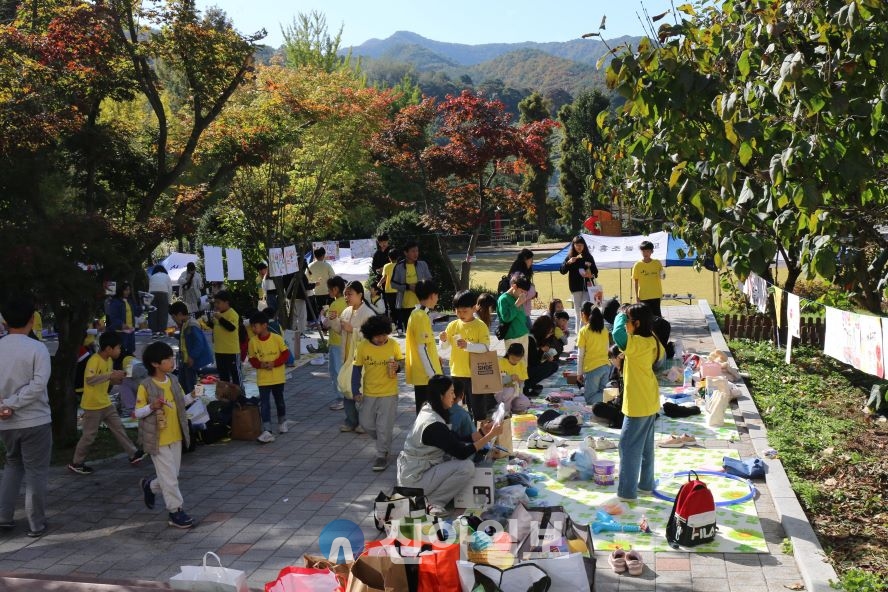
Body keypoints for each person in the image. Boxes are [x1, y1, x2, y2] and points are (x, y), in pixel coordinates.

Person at [396, 374, 503, 517]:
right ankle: (433, 502)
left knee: (459, 461)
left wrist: (483, 431)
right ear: (441, 395)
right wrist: (490, 436)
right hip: (414, 481)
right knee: (466, 466)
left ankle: (430, 498)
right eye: (451, 392)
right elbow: (461, 452)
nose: (454, 396)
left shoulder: (430, 409)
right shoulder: (433, 424)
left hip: (415, 471)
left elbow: (456, 439)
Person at [0, 295, 53, 537]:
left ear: (4, 321)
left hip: (5, 420)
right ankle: (36, 523)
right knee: (35, 471)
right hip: (35, 419)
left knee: (12, 465)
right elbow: (38, 385)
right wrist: (14, 404)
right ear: (33, 319)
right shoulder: (38, 348)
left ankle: (4, 516)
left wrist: (6, 405)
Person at [68, 332, 145, 475]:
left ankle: (133, 454)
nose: (120, 351)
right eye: (118, 348)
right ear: (108, 348)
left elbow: (107, 380)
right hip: (92, 405)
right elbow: (90, 380)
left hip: (105, 402)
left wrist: (119, 378)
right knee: (89, 435)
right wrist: (110, 375)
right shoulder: (94, 360)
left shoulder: (109, 361)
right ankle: (76, 462)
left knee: (119, 428)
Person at [135, 341, 194, 529]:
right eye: (167, 359)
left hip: (176, 435)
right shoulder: (145, 386)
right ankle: (175, 511)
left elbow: (181, 402)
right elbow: (137, 412)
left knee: (171, 476)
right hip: (157, 439)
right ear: (155, 364)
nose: (172, 362)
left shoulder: (174, 381)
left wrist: (193, 395)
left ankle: (150, 486)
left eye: (171, 358)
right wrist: (152, 406)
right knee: (169, 478)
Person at [612, 303, 664, 501]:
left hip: (639, 402)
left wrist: (620, 315)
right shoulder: (650, 338)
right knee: (645, 446)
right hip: (648, 398)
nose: (625, 325)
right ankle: (645, 484)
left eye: (628, 322)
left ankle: (627, 492)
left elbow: (617, 334)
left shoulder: (638, 343)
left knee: (627, 446)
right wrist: (626, 316)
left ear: (637, 323)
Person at [351, 314, 404, 472]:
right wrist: (355, 390)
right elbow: (356, 369)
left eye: (384, 335)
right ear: (369, 335)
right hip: (369, 392)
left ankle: (381, 455)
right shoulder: (362, 346)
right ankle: (384, 441)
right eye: (377, 336)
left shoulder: (393, 344)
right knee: (366, 423)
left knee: (383, 425)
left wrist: (398, 367)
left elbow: (400, 362)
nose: (381, 339)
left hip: (389, 392)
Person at [439, 290, 491, 421]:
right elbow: (444, 347)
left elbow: (485, 348)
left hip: (476, 374)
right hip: (457, 372)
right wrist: (443, 340)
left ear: (474, 308)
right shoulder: (452, 325)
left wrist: (468, 346)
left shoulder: (480, 326)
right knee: (455, 407)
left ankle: (480, 434)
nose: (460, 314)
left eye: (464, 311)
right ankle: (459, 432)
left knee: (478, 408)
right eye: (458, 311)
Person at [248, 312, 292, 443]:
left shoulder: (277, 338)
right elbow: (252, 359)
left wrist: (274, 363)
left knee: (279, 400)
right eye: (252, 327)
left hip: (278, 378)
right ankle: (267, 429)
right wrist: (261, 364)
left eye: (255, 326)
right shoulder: (253, 342)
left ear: (264, 325)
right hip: (263, 380)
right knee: (265, 404)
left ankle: (282, 421)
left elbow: (285, 355)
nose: (253, 329)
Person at [336, 281, 375, 424]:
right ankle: (351, 421)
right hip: (347, 357)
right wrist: (332, 321)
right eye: (345, 294)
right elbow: (340, 331)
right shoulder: (346, 311)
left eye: (350, 294)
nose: (347, 297)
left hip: (361, 360)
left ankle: (364, 423)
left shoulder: (368, 313)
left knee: (361, 391)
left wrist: (353, 330)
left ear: (360, 295)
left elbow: (372, 336)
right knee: (347, 389)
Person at [405, 279, 443, 414]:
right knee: (429, 416)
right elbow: (422, 348)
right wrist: (433, 375)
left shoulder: (417, 313)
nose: (437, 298)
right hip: (426, 377)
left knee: (424, 414)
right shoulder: (421, 316)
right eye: (437, 295)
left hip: (422, 374)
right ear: (432, 295)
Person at [170, 301, 213, 395]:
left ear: (180, 314)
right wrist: (175, 335)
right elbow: (185, 338)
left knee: (194, 383)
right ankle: (188, 401)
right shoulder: (185, 324)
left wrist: (192, 356)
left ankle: (198, 401)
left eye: (174, 317)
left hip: (193, 360)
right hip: (185, 360)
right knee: (183, 382)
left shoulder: (192, 325)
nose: (174, 320)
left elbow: (199, 343)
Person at [391, 241, 432, 337]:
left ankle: (425, 348)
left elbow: (429, 280)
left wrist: (420, 286)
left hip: (421, 303)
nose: (416, 253)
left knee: (423, 330)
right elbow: (393, 284)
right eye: (413, 251)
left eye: (417, 251)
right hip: (405, 305)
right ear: (406, 253)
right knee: (410, 332)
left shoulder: (423, 264)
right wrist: (407, 287)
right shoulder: (399, 267)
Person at [559, 235, 599, 331]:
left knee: (585, 310)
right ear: (574, 246)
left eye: (581, 245)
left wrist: (591, 274)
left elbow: (596, 272)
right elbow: (562, 271)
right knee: (577, 311)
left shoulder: (588, 257)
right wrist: (568, 263)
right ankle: (578, 333)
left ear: (584, 245)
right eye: (577, 245)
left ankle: (584, 331)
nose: (579, 247)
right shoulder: (570, 257)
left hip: (587, 288)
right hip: (575, 288)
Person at [576, 301, 611, 406]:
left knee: (590, 398)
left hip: (592, 369)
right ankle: (611, 397)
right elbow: (607, 349)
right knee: (602, 392)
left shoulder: (584, 331)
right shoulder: (604, 329)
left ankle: (614, 397)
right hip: (606, 367)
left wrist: (579, 373)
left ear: (583, 314)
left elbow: (580, 355)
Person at [322, 276, 348, 414]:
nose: (328, 292)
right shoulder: (348, 302)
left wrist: (323, 316)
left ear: (335, 289)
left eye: (329, 289)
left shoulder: (334, 305)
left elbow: (327, 324)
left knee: (335, 371)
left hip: (336, 342)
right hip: (348, 341)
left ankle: (341, 398)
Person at [207, 290, 241, 385]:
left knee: (235, 374)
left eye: (218, 302)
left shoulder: (232, 313)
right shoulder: (218, 315)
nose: (216, 305)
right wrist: (207, 322)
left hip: (231, 351)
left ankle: (240, 395)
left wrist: (220, 318)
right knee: (223, 375)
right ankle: (227, 396)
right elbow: (215, 327)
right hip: (219, 350)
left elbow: (231, 327)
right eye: (215, 303)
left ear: (226, 302)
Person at [496, 273, 531, 361]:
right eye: (522, 291)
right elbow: (506, 318)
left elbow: (522, 317)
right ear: (514, 286)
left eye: (525, 293)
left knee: (523, 363)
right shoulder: (503, 299)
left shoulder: (517, 297)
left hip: (523, 334)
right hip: (511, 337)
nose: (523, 294)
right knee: (513, 363)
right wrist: (517, 304)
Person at [525, 315, 559, 395]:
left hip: (529, 368)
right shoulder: (530, 339)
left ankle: (530, 384)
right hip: (525, 371)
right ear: (542, 329)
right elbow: (533, 363)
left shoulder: (537, 339)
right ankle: (526, 385)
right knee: (551, 366)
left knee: (553, 365)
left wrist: (546, 356)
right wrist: (541, 351)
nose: (549, 335)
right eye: (549, 332)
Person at [106, 282, 141, 357]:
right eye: (126, 290)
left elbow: (137, 312)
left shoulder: (130, 301)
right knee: (120, 355)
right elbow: (113, 317)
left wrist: (145, 306)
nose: (128, 292)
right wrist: (121, 324)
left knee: (130, 353)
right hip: (120, 333)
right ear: (121, 290)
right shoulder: (115, 302)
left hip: (130, 332)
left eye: (129, 290)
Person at [633, 240, 664, 317]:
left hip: (656, 295)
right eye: (643, 251)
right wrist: (637, 296)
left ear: (652, 251)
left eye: (647, 251)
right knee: (645, 318)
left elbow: (663, 276)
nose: (645, 253)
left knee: (657, 318)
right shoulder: (637, 265)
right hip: (643, 296)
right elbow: (636, 282)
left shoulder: (657, 263)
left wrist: (663, 275)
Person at [497, 343, 528, 413]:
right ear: (508, 354)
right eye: (513, 359)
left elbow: (522, 384)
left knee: (525, 402)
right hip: (501, 393)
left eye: (518, 359)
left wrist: (518, 380)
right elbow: (496, 381)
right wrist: (509, 378)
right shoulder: (500, 362)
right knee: (510, 390)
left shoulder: (522, 364)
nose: (515, 361)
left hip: (515, 393)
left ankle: (511, 407)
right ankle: (505, 411)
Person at [508, 248, 537, 324]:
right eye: (531, 259)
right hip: (521, 311)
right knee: (529, 334)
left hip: (523, 310)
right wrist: (533, 290)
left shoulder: (521, 274)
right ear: (525, 259)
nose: (532, 262)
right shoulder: (518, 275)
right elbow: (522, 294)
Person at [308, 247, 336, 325]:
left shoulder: (310, 266)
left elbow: (307, 279)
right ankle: (329, 326)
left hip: (316, 292)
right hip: (327, 292)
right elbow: (333, 277)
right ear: (323, 255)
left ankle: (322, 327)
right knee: (329, 310)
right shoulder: (327, 265)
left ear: (315, 255)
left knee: (320, 311)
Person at [379, 249, 401, 332]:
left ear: (389, 258)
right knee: (399, 309)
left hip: (389, 291)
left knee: (392, 309)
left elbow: (384, 278)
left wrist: (379, 284)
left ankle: (394, 324)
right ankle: (400, 328)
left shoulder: (386, 266)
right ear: (398, 257)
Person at [148, 264, 173, 338]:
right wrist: (169, 301)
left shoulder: (152, 276)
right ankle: (162, 331)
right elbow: (170, 289)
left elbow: (149, 289)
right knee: (163, 313)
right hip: (163, 292)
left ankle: (154, 332)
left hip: (152, 293)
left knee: (153, 313)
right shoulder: (166, 276)